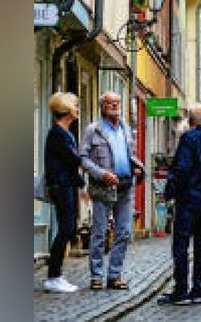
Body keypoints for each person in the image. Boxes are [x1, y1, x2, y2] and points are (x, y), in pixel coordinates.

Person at [158, 104, 201, 305]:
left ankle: (180, 291)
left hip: (189, 201)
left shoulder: (188, 139)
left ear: (190, 120)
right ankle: (198, 290)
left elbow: (182, 169)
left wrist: (169, 191)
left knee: (181, 245)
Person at [79, 91, 146, 291]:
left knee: (124, 233)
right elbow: (82, 158)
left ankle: (114, 275)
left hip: (126, 186)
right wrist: (101, 174)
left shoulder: (125, 128)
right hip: (103, 188)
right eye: (109, 103)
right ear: (102, 106)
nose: (114, 105)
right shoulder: (94, 130)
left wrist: (137, 167)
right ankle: (96, 276)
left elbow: (130, 154)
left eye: (117, 102)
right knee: (99, 233)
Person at [41, 92, 84, 293]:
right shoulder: (58, 134)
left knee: (67, 228)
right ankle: (53, 276)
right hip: (61, 185)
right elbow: (74, 160)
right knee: (66, 229)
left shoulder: (66, 133)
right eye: (75, 106)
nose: (77, 109)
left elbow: (73, 160)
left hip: (66, 184)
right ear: (67, 110)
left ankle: (56, 274)